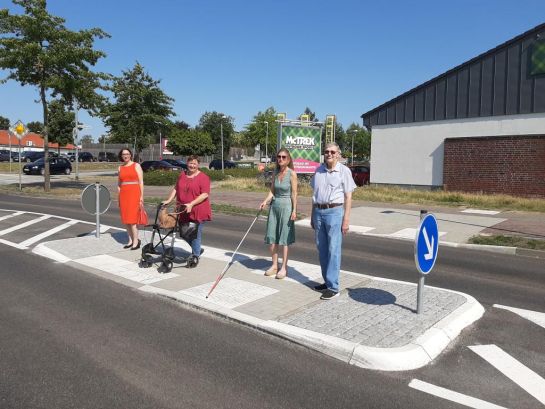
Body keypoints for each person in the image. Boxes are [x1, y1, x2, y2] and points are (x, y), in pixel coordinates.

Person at [311, 142, 356, 300]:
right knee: (321, 248)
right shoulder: (318, 170)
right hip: (318, 212)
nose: (329, 154)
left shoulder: (344, 171)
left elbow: (348, 196)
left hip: (335, 212)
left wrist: (346, 220)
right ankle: (327, 281)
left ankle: (334, 287)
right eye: (326, 151)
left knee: (333, 250)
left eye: (332, 152)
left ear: (338, 154)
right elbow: (314, 195)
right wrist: (312, 216)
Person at [162, 155, 212, 268]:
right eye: (190, 163)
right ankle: (197, 249)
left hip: (198, 210)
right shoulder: (182, 175)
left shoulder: (203, 177)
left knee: (195, 235)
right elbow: (176, 188)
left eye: (194, 163)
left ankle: (195, 256)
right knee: (184, 233)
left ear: (198, 165)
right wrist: (169, 200)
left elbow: (205, 194)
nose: (192, 165)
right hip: (183, 210)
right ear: (187, 163)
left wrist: (192, 203)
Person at [259, 148, 298, 279]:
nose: (281, 159)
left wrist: (294, 210)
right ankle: (274, 265)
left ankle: (283, 268)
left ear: (288, 159)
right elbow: (272, 191)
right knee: (272, 238)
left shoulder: (292, 173)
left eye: (283, 157)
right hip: (274, 206)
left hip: (286, 206)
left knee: (284, 239)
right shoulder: (275, 172)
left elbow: (294, 193)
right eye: (279, 157)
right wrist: (265, 201)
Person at [117, 148, 144, 250]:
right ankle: (130, 240)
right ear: (121, 156)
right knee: (126, 220)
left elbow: (141, 182)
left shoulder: (136, 165)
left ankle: (136, 241)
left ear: (130, 155)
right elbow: (119, 184)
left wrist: (141, 196)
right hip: (124, 195)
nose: (125, 156)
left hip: (134, 194)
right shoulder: (120, 168)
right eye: (123, 154)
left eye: (127, 154)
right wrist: (119, 197)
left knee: (132, 220)